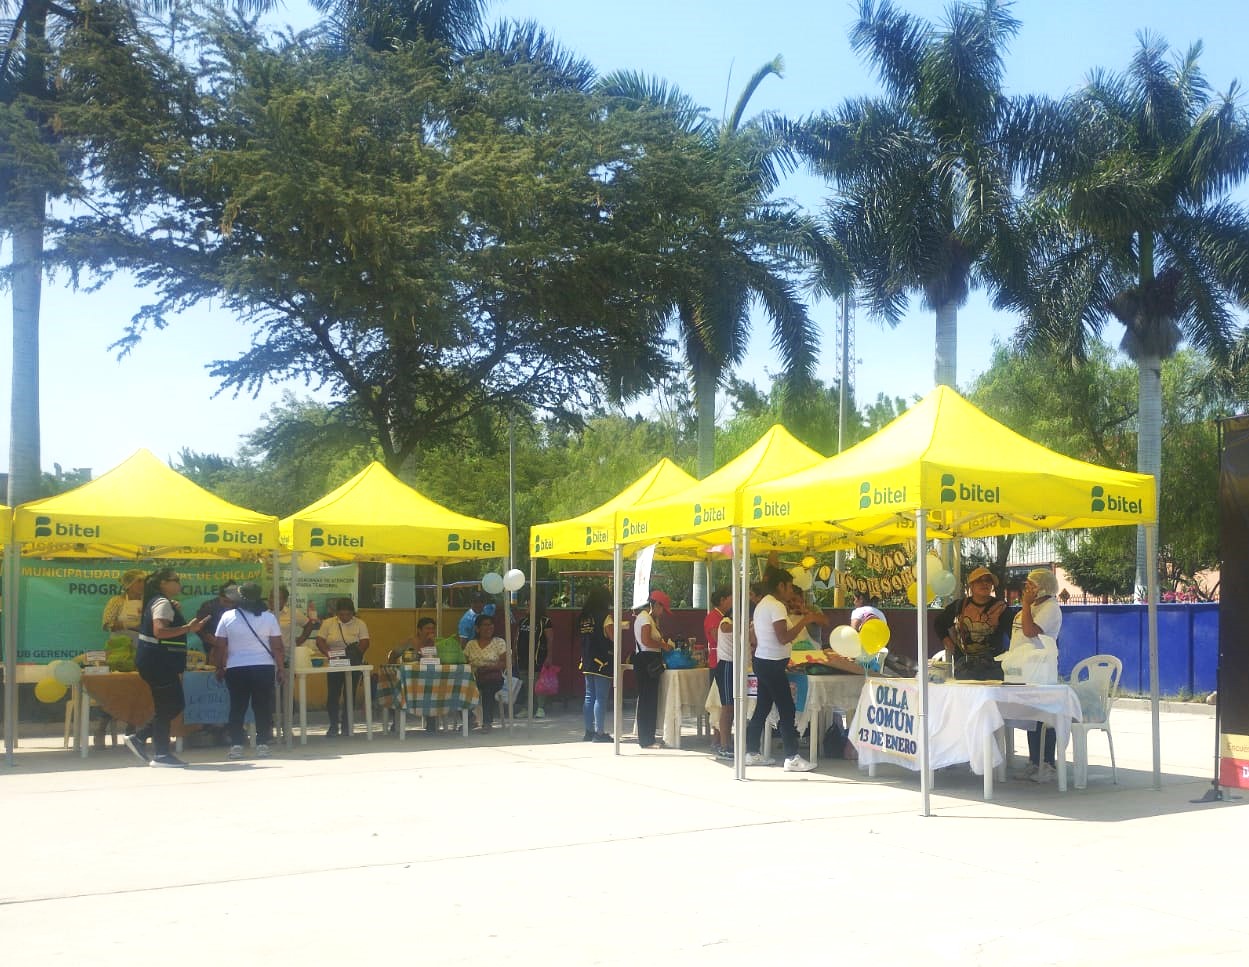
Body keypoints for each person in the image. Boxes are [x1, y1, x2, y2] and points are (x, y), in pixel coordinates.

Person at [123, 569, 207, 767]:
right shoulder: (161, 603)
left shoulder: (161, 602)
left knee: (173, 704)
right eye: (175, 580)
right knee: (168, 706)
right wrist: (188, 628)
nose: (179, 584)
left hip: (158, 662)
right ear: (162, 583)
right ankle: (161, 754)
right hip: (159, 662)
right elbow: (159, 631)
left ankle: (140, 737)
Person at [745, 566, 822, 772]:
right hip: (771, 663)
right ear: (780, 585)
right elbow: (783, 637)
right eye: (789, 587)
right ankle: (792, 757)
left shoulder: (763, 604)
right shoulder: (776, 606)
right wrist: (805, 621)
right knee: (786, 709)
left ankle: (751, 752)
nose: (791, 592)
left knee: (762, 707)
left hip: (764, 660)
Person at [212, 582, 283, 760]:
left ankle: (236, 745)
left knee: (237, 707)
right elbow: (277, 647)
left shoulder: (227, 616)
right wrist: (281, 668)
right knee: (262, 707)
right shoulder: (269, 618)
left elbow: (220, 646)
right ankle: (262, 745)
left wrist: (219, 667)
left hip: (236, 668)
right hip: (264, 667)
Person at [1012, 568, 1064, 782]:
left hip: (1040, 670)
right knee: (1031, 718)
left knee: (1044, 717)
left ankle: (1048, 763)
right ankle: (1034, 762)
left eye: (1031, 585)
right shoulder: (1032, 606)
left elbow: (1030, 631)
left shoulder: (1050, 608)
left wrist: (1025, 604)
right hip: (1024, 669)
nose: (1026, 588)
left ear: (1042, 587)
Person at [96, 568, 146, 747]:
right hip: (119, 650)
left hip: (141, 649)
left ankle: (131, 729)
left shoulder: (147, 602)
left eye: (143, 582)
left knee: (136, 689)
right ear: (129, 584)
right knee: (114, 689)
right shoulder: (116, 601)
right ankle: (101, 727)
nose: (142, 585)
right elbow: (107, 624)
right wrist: (129, 624)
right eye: (139, 581)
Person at [934, 567, 1011, 680]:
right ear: (971, 586)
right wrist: (947, 641)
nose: (984, 583)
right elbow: (939, 622)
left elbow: (1012, 633)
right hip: (965, 665)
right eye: (979, 580)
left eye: (988, 580)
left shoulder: (1001, 608)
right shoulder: (959, 605)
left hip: (993, 664)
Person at [315, 598, 370, 737]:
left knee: (349, 695)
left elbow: (365, 642)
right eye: (342, 614)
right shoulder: (328, 623)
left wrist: (355, 654)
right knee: (333, 695)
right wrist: (329, 654)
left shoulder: (360, 623)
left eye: (348, 614)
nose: (345, 617)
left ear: (353, 612)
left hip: (353, 662)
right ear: (337, 613)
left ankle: (347, 724)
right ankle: (333, 725)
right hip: (334, 662)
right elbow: (320, 640)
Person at [632, 590, 674, 749]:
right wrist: (664, 645)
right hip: (646, 660)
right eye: (662, 609)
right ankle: (646, 739)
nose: (662, 613)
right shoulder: (644, 618)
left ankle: (648, 736)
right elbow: (646, 640)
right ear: (656, 605)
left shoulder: (649, 619)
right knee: (647, 700)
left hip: (649, 659)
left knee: (649, 699)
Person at [578, 586, 615, 743]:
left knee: (589, 696)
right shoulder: (605, 617)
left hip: (586, 660)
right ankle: (600, 733)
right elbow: (613, 637)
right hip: (602, 660)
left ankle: (588, 731)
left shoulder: (584, 617)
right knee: (601, 698)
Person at [464, 612, 508, 730]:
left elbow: (505, 663)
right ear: (477, 628)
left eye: (491, 625)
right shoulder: (471, 644)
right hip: (473, 677)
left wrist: (489, 668)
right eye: (485, 625)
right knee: (459, 688)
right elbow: (465, 661)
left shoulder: (499, 642)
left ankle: (487, 722)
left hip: (492, 676)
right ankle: (470, 718)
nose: (489, 628)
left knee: (488, 689)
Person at [704, 587, 731, 751]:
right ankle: (717, 737)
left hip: (723, 659)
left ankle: (722, 737)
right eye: (730, 598)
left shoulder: (723, 617)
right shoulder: (714, 617)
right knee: (719, 700)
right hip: (718, 661)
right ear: (722, 600)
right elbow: (716, 637)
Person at [709, 591, 735, 760]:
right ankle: (724, 745)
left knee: (733, 706)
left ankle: (728, 742)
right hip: (726, 665)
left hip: (738, 666)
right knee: (727, 706)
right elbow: (724, 628)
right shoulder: (725, 622)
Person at [517, 600, 552, 719]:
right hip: (522, 657)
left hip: (538, 657)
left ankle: (540, 708)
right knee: (525, 684)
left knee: (539, 683)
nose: (526, 606)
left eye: (528, 605)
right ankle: (527, 708)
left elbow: (550, 640)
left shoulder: (545, 622)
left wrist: (549, 656)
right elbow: (516, 638)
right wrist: (513, 654)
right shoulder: (523, 621)